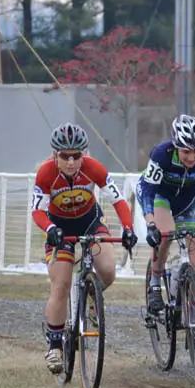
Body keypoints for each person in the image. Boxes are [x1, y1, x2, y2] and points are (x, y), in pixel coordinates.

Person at [31, 123, 137, 374]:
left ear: (84, 154)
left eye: (76, 156)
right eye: (65, 156)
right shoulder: (46, 174)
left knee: (109, 272)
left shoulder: (93, 169)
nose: (70, 162)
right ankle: (54, 345)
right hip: (59, 229)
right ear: (54, 155)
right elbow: (37, 211)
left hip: (90, 222)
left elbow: (119, 200)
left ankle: (91, 298)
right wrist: (50, 230)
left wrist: (128, 228)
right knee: (61, 285)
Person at [138, 114, 195, 313]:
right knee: (166, 234)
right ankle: (155, 283)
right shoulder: (161, 153)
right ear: (175, 146)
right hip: (160, 195)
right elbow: (148, 190)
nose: (191, 157)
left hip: (189, 198)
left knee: (193, 260)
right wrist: (151, 223)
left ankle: (191, 312)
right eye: (186, 152)